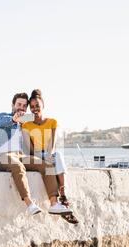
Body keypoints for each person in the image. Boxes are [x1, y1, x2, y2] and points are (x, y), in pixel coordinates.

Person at [0, 92, 73, 216]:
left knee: (46, 165)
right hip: (0, 155)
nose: (21, 107)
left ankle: (54, 204)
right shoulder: (3, 116)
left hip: (19, 155)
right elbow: (3, 121)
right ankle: (29, 204)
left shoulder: (25, 124)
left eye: (24, 106)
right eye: (19, 104)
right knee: (18, 166)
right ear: (13, 104)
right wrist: (14, 118)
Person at [22, 89, 79, 224]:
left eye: (38, 106)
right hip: (36, 154)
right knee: (51, 162)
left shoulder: (52, 122)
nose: (35, 109)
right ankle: (60, 202)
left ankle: (63, 194)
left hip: (49, 152)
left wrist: (48, 155)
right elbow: (29, 148)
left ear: (43, 106)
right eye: (33, 107)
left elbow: (52, 144)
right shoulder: (26, 125)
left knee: (57, 155)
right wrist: (40, 157)